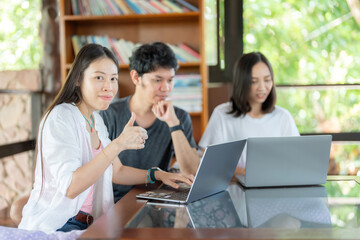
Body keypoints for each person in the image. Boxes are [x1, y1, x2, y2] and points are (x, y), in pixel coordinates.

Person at [18, 44, 192, 234]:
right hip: (62, 224)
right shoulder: (61, 117)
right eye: (99, 77)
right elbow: (70, 187)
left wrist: (158, 175)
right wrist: (119, 144)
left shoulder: (95, 119)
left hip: (93, 223)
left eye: (113, 78)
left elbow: (117, 171)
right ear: (78, 79)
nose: (108, 87)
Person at [100, 42, 200, 202]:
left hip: (156, 202)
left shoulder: (179, 116)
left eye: (170, 80)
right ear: (135, 77)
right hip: (114, 203)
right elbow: (110, 172)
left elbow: (193, 172)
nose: (166, 88)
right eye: (157, 80)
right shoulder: (109, 115)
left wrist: (173, 124)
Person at [199, 52, 299, 174]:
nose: (262, 87)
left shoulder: (283, 117)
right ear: (241, 83)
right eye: (253, 81)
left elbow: (296, 160)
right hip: (235, 187)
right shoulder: (222, 114)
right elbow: (209, 161)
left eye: (267, 80)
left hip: (275, 187)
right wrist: (246, 173)